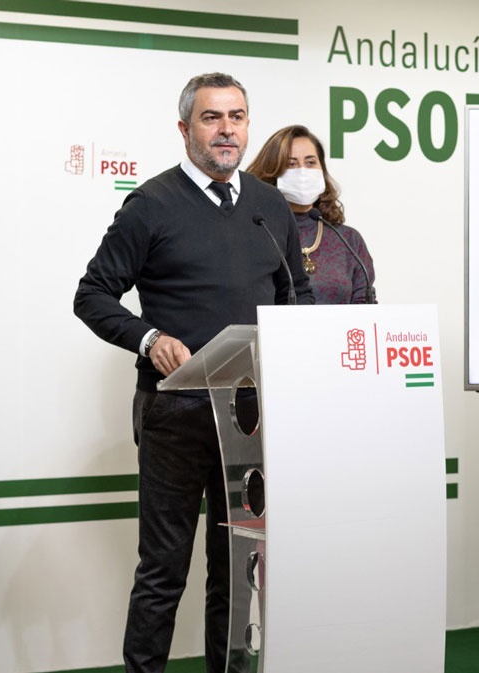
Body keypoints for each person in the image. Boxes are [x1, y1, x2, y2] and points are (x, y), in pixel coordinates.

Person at [74, 72, 313, 673]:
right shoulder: (151, 205)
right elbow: (93, 294)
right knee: (163, 568)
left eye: (236, 117)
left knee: (236, 567)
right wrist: (148, 338)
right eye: (212, 118)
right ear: (185, 129)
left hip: (251, 414)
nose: (226, 129)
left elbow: (297, 297)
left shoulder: (267, 206)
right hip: (175, 413)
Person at [246, 125, 377, 304]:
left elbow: (365, 307)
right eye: (291, 164)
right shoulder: (258, 233)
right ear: (273, 171)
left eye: (310, 163)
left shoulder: (348, 239)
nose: (302, 172)